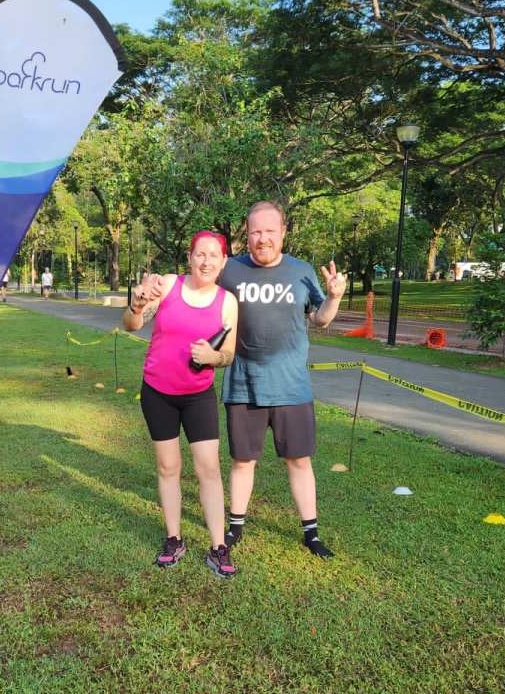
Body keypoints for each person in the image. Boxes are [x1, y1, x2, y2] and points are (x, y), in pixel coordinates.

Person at [217, 200, 346, 559]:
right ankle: (235, 527)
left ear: (283, 232)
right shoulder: (230, 270)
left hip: (291, 385)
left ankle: (311, 534)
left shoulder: (301, 270)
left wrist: (334, 297)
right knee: (243, 461)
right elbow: (201, 297)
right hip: (243, 383)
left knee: (299, 460)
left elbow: (320, 319)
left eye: (270, 231)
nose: (263, 238)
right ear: (247, 234)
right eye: (256, 231)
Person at [123, 231, 239, 577]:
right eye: (200, 254)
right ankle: (174, 538)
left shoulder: (227, 302)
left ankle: (218, 546)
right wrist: (136, 305)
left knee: (209, 469)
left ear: (223, 261)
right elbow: (131, 325)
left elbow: (229, 354)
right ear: (189, 257)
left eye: (213, 255)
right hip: (157, 392)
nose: (206, 261)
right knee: (168, 467)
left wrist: (214, 357)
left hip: (198, 396)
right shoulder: (169, 285)